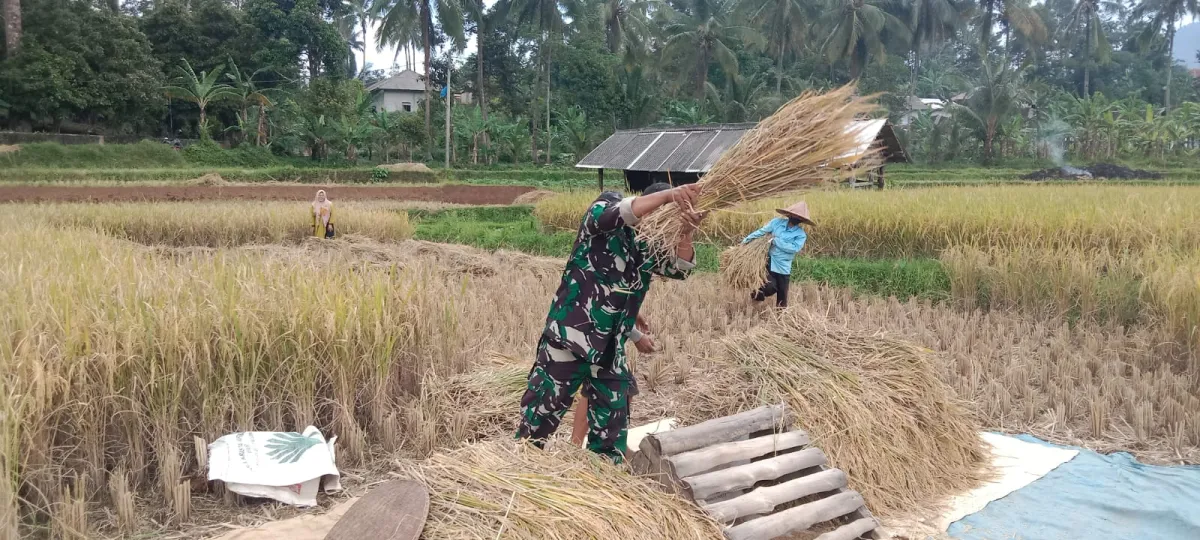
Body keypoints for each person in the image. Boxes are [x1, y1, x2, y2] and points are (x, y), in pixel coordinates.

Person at [516, 182, 705, 462]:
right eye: (659, 213)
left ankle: (603, 478)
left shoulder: (647, 245)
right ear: (648, 203)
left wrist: (687, 230)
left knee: (612, 427)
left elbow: (679, 268)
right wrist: (668, 196)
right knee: (539, 418)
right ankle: (520, 468)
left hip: (610, 350)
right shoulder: (602, 213)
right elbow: (620, 213)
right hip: (570, 340)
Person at [569, 313, 656, 446]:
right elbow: (608, 307)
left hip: (604, 336)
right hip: (598, 335)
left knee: (626, 387)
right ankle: (581, 446)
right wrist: (636, 336)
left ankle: (578, 445)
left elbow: (619, 299)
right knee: (599, 389)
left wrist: (633, 313)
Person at [741, 201, 814, 308]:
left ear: (802, 220)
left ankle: (780, 319)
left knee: (782, 297)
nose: (796, 218)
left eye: (799, 217)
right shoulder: (776, 223)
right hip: (769, 261)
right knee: (769, 287)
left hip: (783, 266)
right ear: (789, 214)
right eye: (795, 215)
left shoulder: (800, 234)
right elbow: (761, 232)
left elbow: (794, 248)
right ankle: (755, 300)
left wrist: (776, 241)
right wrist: (746, 240)